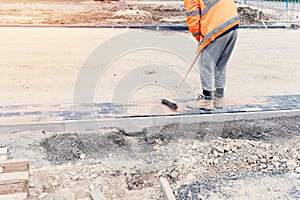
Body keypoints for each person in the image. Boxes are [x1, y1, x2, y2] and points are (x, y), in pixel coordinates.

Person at [184, 0, 240, 110]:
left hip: (217, 27)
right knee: (221, 64)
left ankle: (206, 100)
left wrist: (200, 39)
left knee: (206, 65)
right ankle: (219, 99)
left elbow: (193, 17)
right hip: (233, 25)